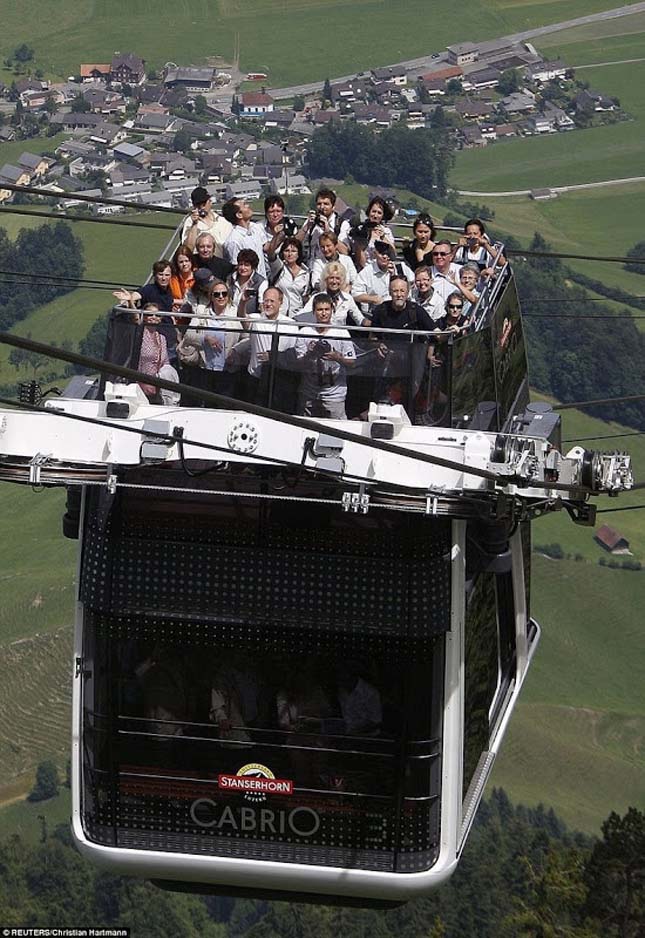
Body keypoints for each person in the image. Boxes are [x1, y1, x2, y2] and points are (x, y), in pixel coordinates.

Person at [233, 285, 299, 407]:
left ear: (280, 302)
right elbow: (242, 318)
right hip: (255, 379)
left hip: (279, 380)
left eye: (272, 301)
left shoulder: (291, 325)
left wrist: (275, 357)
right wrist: (243, 302)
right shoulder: (256, 319)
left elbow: (293, 354)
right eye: (266, 301)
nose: (268, 304)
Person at [294, 293, 356, 419]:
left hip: (334, 395)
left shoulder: (342, 333)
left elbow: (352, 362)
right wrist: (310, 354)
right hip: (309, 392)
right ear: (314, 311)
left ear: (332, 310)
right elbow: (298, 364)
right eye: (320, 310)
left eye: (327, 309)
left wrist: (337, 357)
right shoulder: (305, 332)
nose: (323, 313)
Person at [352, 241, 414, 320]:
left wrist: (396, 277)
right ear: (375, 254)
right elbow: (355, 294)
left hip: (402, 312)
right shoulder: (367, 271)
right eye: (381, 254)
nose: (385, 257)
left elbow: (413, 284)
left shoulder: (401, 267)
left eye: (388, 254)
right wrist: (373, 299)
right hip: (377, 314)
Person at [136, 304, 180, 404]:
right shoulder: (140, 335)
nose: (154, 317)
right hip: (140, 385)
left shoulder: (162, 338)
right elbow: (136, 320)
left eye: (157, 315)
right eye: (150, 314)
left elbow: (165, 362)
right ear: (145, 317)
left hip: (157, 387)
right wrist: (131, 302)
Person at [300, 261, 362, 326]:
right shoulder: (316, 297)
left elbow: (359, 319)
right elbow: (301, 316)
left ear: (342, 280)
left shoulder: (348, 298)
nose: (334, 281)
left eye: (337, 278)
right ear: (326, 279)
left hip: (341, 334)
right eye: (331, 278)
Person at [299, 188, 350, 264]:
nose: (322, 207)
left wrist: (328, 231)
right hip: (313, 265)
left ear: (333, 207)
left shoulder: (341, 224)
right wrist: (307, 226)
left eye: (326, 204)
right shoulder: (311, 222)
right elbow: (295, 243)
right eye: (319, 204)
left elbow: (345, 251)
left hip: (333, 266)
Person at [222, 197, 269, 278]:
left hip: (263, 280)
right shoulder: (234, 241)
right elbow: (236, 268)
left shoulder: (255, 228)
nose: (248, 206)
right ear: (239, 215)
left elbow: (267, 248)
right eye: (244, 205)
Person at [344, 195, 396, 268]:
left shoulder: (386, 231)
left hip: (381, 267)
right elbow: (361, 263)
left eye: (379, 213)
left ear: (382, 216)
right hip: (365, 268)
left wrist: (384, 238)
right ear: (369, 212)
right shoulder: (360, 230)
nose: (375, 215)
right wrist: (358, 243)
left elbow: (393, 255)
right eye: (373, 211)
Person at [181, 185, 232, 257]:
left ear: (210, 201)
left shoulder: (223, 221)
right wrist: (194, 224)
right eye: (198, 205)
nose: (201, 207)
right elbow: (188, 250)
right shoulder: (190, 222)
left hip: (221, 263)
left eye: (204, 204)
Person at [267, 236, 310, 315]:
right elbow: (270, 253)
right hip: (279, 314)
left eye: (293, 251)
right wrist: (277, 235)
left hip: (298, 314)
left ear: (298, 254)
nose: (290, 254)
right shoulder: (278, 267)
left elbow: (305, 296)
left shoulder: (306, 273)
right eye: (287, 251)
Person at [226, 248, 267, 315]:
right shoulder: (230, 278)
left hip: (249, 319)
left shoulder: (261, 282)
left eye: (246, 265)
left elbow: (262, 305)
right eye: (241, 264)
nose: (243, 268)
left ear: (253, 267)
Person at [429, 239, 463, 304]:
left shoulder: (460, 271)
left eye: (443, 254)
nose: (439, 257)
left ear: (451, 256)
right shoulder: (426, 273)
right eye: (435, 254)